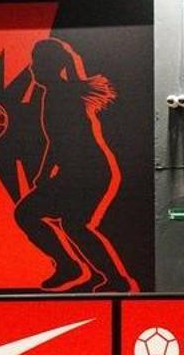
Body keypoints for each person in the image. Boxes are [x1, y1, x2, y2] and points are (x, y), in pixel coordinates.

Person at [14, 37, 138, 293]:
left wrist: (45, 175)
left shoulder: (61, 96)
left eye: (36, 63)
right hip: (77, 173)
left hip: (89, 173)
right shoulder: (55, 94)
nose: (31, 68)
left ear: (50, 66)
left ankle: (108, 277)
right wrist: (44, 174)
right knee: (36, 215)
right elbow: (55, 141)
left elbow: (64, 143)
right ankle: (77, 268)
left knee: (69, 223)